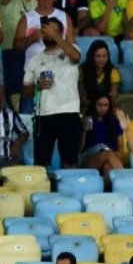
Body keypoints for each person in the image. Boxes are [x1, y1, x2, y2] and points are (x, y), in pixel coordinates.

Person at [23, 17, 83, 169]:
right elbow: (26, 92)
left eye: (52, 31)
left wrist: (56, 36)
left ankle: (69, 190)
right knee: (41, 164)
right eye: (45, 32)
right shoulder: (35, 60)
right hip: (43, 115)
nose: (48, 35)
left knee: (70, 161)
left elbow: (76, 57)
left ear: (61, 33)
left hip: (69, 113)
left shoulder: (71, 50)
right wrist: (38, 86)